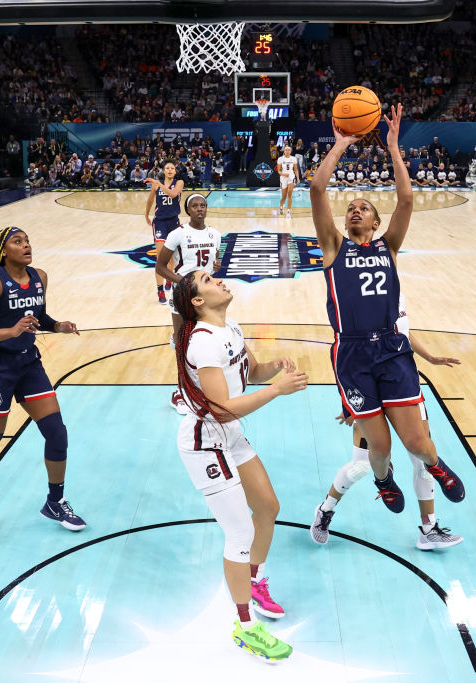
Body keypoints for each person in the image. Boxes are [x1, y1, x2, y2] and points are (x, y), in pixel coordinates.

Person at [309, 103, 466, 526]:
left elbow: (407, 198)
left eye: (364, 208)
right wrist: (340, 144)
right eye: (352, 208)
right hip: (352, 356)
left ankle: (435, 465)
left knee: (418, 442)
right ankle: (383, 481)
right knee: (379, 450)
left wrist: (394, 147)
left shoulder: (388, 247)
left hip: (392, 350)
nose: (355, 210)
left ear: (377, 223)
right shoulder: (333, 248)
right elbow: (318, 191)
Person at [172, 269, 308, 661]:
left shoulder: (230, 325)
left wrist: (274, 370)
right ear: (196, 301)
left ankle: (254, 581)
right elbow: (223, 409)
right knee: (240, 533)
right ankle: (246, 627)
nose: (216, 279)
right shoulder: (201, 343)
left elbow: (252, 372)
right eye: (206, 280)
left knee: (268, 506)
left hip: (228, 436)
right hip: (206, 442)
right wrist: (276, 391)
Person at [0, 226, 85, 546]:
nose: (26, 245)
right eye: (18, 242)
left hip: (28, 363)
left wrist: (58, 326)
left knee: (57, 433)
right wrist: (9, 332)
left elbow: (37, 316)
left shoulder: (39, 276)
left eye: (27, 240)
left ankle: (54, 502)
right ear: (3, 251)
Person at [311, 296, 464, 550]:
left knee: (422, 459)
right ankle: (325, 510)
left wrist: (429, 357)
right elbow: (345, 352)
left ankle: (429, 530)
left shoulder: (395, 288)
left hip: (402, 382)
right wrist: (347, 401)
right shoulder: (357, 293)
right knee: (361, 466)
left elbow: (403, 333)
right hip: (369, 384)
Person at [155, 193, 223, 412]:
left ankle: (202, 386)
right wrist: (184, 282)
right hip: (182, 296)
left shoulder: (216, 234)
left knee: (206, 341)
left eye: (203, 205)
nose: (200, 209)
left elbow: (213, 263)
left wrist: (216, 268)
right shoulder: (178, 234)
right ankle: (181, 391)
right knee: (183, 343)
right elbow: (161, 267)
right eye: (195, 206)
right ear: (188, 210)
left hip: (205, 297)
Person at [144, 159, 184, 305]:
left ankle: (170, 279)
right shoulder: (156, 185)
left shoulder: (179, 183)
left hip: (173, 222)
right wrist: (146, 214)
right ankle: (160, 289)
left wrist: (159, 184)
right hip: (160, 222)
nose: (169, 170)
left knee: (172, 257)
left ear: (175, 171)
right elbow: (149, 201)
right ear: (163, 170)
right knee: (161, 258)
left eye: (172, 168)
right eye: (167, 168)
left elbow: (173, 194)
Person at [276, 146, 300, 216]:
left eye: (289, 150)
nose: (287, 151)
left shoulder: (293, 159)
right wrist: (283, 174)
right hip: (283, 178)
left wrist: (298, 178)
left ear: (291, 151)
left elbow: (295, 169)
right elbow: (279, 171)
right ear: (284, 151)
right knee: (284, 196)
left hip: (291, 177)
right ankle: (281, 206)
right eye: (286, 150)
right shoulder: (280, 159)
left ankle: (288, 210)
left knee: (290, 193)